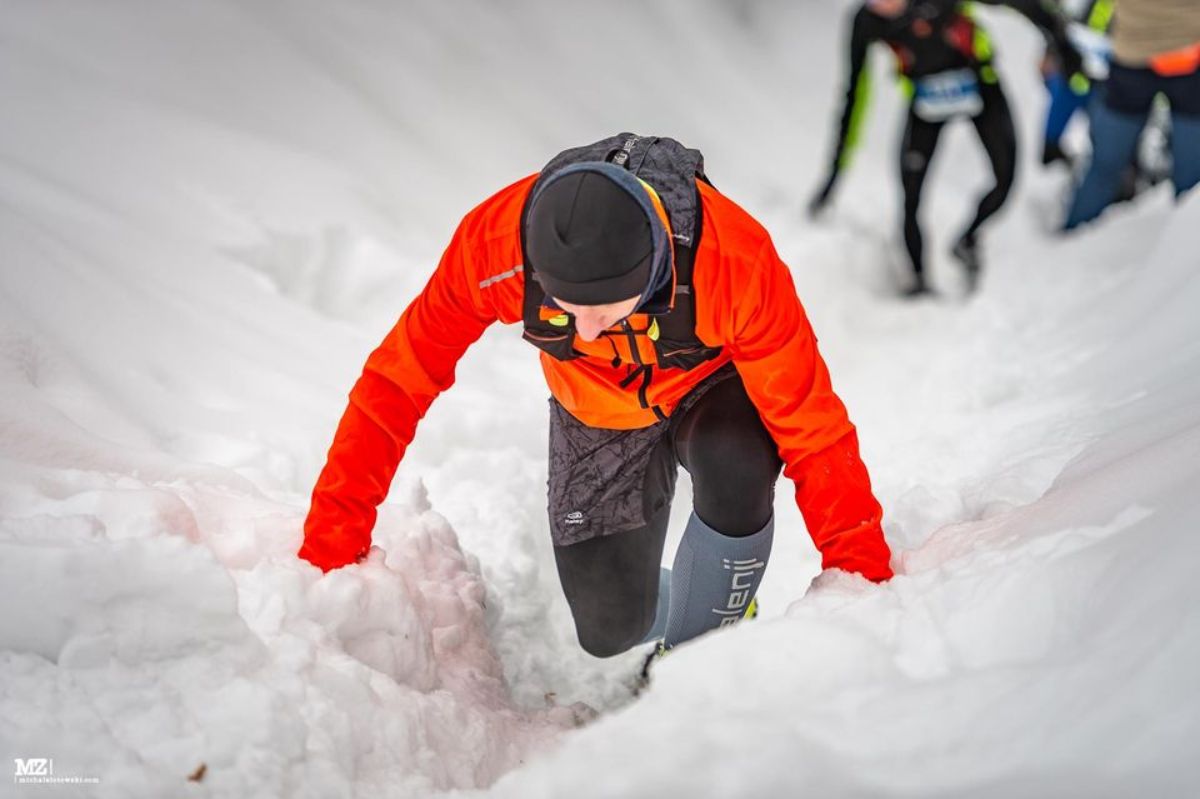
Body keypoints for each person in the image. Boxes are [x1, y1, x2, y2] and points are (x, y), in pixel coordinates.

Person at [299, 134, 893, 663]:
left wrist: (861, 576)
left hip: (708, 389)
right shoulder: (493, 249)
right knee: (608, 626)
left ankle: (695, 667)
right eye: (565, 311)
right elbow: (396, 382)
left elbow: (812, 428)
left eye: (604, 313)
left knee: (734, 456)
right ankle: (695, 606)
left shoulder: (733, 262)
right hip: (595, 414)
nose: (583, 333)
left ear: (655, 269)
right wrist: (332, 540)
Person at [810, 0, 1081, 296]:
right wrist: (833, 176)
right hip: (926, 101)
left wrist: (1059, 37)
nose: (881, 5)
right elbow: (855, 95)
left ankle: (967, 240)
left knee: (1005, 178)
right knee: (910, 195)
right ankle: (917, 279)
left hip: (981, 86)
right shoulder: (866, 22)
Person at [1063, 0, 1200, 229]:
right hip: (1183, 62)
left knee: (1105, 165)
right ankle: (1187, 248)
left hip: (1134, 59)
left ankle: (1071, 237)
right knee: (1192, 177)